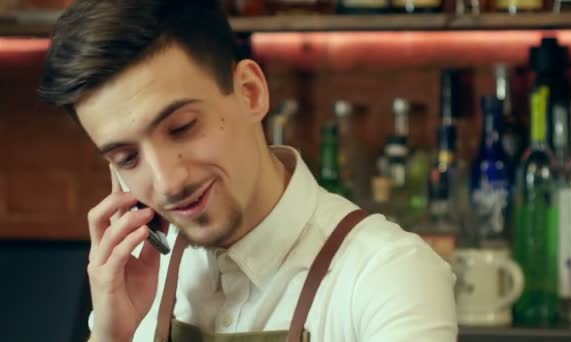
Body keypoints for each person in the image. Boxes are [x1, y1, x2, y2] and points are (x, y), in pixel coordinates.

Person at [38, 0, 457, 341]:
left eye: (182, 128)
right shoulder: (136, 274)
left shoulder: (387, 275)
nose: (168, 183)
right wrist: (112, 334)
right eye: (127, 158)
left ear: (250, 93)